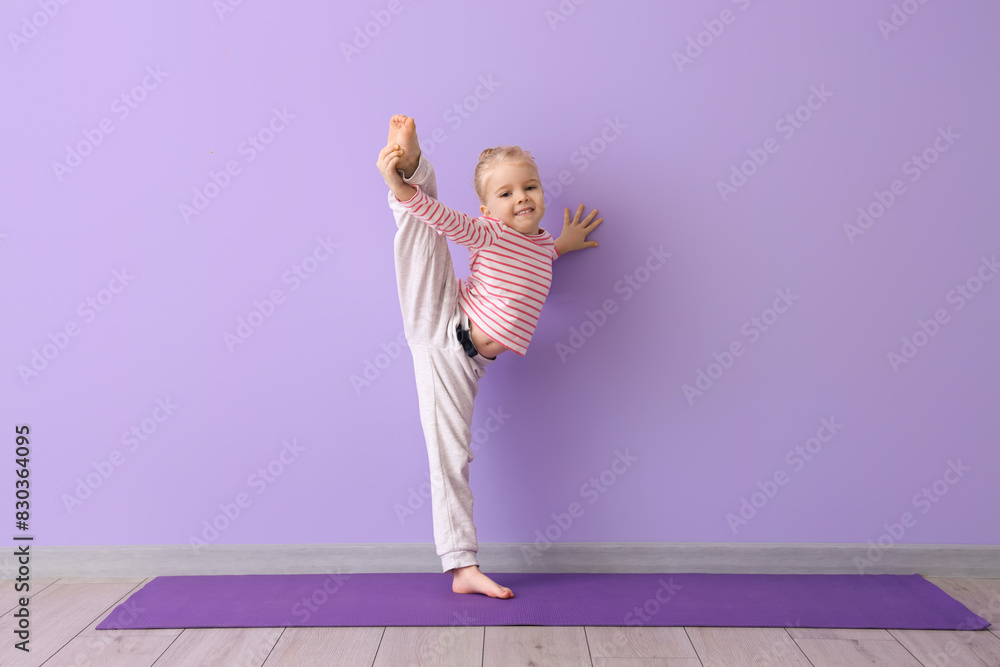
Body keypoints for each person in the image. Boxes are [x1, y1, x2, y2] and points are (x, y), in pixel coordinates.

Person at [376, 114, 601, 598]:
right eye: (506, 193)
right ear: (488, 210)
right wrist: (398, 187)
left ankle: (409, 176)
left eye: (531, 187)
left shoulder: (537, 243)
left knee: (451, 454)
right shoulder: (490, 233)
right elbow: (447, 220)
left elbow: (541, 257)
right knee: (424, 231)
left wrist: (565, 242)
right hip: (443, 340)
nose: (522, 197)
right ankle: (408, 172)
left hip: (460, 344)